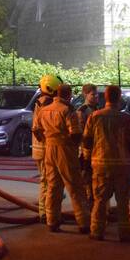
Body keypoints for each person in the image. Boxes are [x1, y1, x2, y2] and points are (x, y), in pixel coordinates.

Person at [82, 85, 130, 242]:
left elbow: (87, 142)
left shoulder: (94, 116)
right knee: (123, 202)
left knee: (100, 201)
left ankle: (97, 231)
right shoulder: (126, 119)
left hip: (100, 165)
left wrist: (86, 161)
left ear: (105, 97)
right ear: (119, 97)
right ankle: (126, 233)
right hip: (122, 166)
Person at [32, 82, 89, 233]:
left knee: (53, 186)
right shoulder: (68, 110)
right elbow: (75, 133)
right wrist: (77, 146)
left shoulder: (44, 110)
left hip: (49, 150)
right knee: (75, 186)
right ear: (69, 95)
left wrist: (47, 140)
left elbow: (36, 130)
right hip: (66, 150)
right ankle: (84, 222)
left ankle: (52, 220)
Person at [32, 74, 60, 222]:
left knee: (49, 181)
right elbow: (38, 129)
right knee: (47, 181)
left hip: (42, 149)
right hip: (44, 149)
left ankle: (48, 211)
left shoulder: (41, 102)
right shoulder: (45, 103)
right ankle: (45, 214)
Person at [76, 83, 100, 204]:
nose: (96, 97)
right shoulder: (82, 111)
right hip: (86, 149)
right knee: (87, 178)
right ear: (85, 94)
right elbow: (81, 133)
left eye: (97, 94)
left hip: (97, 149)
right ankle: (89, 203)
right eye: (93, 94)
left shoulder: (97, 110)